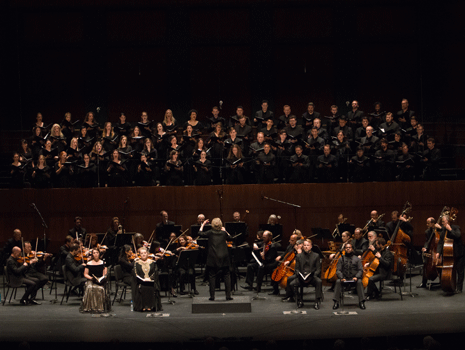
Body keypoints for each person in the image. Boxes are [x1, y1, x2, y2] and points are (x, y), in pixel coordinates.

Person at [199, 218, 233, 301]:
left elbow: (199, 233)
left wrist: (203, 224)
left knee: (212, 276)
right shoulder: (223, 233)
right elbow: (231, 238)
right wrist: (225, 231)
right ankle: (228, 296)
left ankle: (212, 296)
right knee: (226, 276)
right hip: (224, 257)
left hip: (213, 257)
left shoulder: (210, 232)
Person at [284, 239, 322, 309]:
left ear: (311, 246)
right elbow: (297, 269)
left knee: (319, 281)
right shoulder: (299, 256)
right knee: (292, 284)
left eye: (308, 245)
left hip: (312, 277)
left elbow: (318, 269)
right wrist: (299, 274)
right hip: (301, 277)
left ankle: (316, 301)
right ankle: (299, 300)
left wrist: (314, 275)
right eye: (304, 245)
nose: (306, 247)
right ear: (303, 247)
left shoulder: (316, 256)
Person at [435, 214, 464, 293]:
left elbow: (458, 236)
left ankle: (459, 288)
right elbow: (440, 242)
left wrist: (450, 230)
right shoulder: (443, 230)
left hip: (458, 253)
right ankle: (448, 285)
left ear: (448, 221)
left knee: (459, 271)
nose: (442, 223)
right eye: (442, 222)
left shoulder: (456, 227)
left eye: (444, 222)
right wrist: (438, 252)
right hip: (449, 254)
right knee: (447, 270)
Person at [332, 242, 365, 310]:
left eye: (349, 248)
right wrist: (341, 277)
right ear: (344, 249)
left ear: (352, 249)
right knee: (338, 281)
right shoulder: (341, 259)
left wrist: (356, 277)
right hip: (344, 278)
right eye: (346, 248)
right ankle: (336, 302)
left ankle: (361, 302)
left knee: (359, 282)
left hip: (354, 278)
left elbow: (360, 270)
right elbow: (338, 270)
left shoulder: (357, 259)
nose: (348, 249)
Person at [80, 248, 110, 313]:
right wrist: (91, 278)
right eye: (94, 253)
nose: (96, 254)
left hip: (100, 280)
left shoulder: (103, 263)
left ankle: (100, 307)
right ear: (92, 254)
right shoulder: (89, 263)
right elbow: (85, 274)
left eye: (97, 253)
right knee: (89, 288)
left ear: (99, 254)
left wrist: (101, 279)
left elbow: (105, 274)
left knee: (100, 288)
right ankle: (89, 307)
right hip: (91, 279)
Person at [134, 247, 162, 311]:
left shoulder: (153, 262)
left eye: (145, 253)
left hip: (151, 281)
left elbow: (155, 272)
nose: (143, 254)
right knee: (143, 287)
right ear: (139, 255)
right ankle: (143, 306)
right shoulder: (137, 263)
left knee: (150, 287)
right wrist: (143, 279)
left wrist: (149, 278)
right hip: (141, 281)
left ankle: (151, 306)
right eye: (141, 253)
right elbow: (136, 273)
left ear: (147, 254)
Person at [418, 217, 437, 288]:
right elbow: (427, 241)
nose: (427, 225)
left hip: (438, 250)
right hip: (431, 250)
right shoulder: (427, 232)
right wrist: (425, 247)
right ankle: (424, 283)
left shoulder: (438, 230)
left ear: (433, 223)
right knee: (425, 264)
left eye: (428, 223)